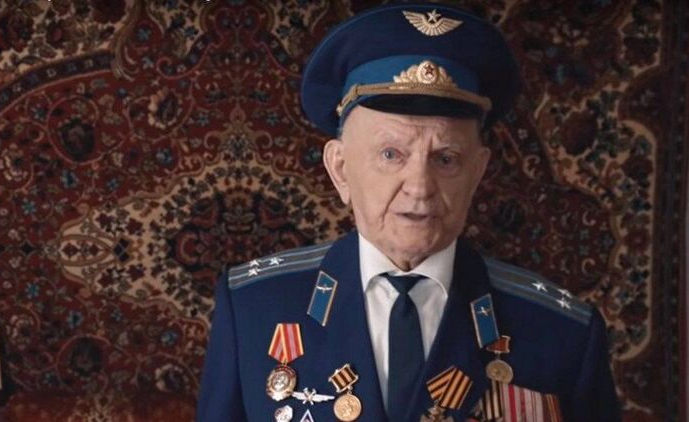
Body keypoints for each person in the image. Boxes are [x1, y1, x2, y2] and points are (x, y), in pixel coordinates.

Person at [198, 3, 621, 421]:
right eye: (391, 154)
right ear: (340, 169)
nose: (419, 186)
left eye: (446, 158)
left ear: (477, 172)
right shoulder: (254, 308)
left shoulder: (561, 333)